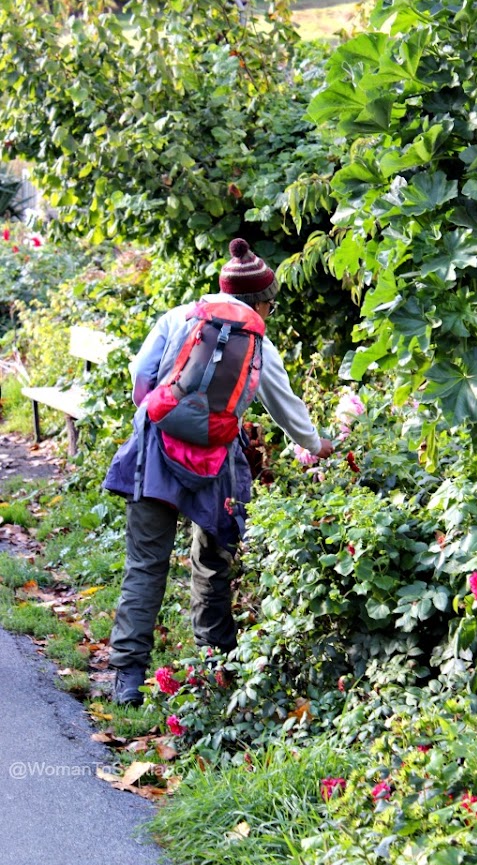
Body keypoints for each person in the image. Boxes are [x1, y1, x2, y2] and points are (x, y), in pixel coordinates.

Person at [103, 238, 333, 705]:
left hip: (157, 449)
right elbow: (288, 412)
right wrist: (318, 444)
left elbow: (141, 380)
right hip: (216, 463)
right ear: (259, 301)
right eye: (268, 302)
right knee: (212, 564)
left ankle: (128, 680)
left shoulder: (179, 318)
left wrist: (162, 416)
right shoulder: (257, 341)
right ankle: (214, 668)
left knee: (146, 565)